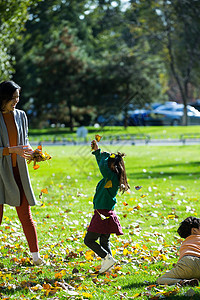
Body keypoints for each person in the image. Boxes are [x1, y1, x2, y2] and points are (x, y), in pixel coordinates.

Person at [0, 80, 44, 265]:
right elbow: (13, 148)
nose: (16, 101)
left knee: (26, 216)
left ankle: (36, 257)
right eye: (13, 98)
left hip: (19, 172)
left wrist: (34, 153)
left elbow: (24, 143)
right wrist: (11, 150)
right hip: (1, 174)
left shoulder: (21, 115)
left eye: (18, 97)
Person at [84, 139, 130, 273]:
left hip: (102, 214)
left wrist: (99, 152)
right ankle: (110, 266)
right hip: (107, 213)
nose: (105, 165)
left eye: (107, 163)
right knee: (104, 242)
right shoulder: (112, 177)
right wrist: (99, 152)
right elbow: (104, 165)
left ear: (113, 166)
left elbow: (102, 166)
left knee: (89, 240)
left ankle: (106, 258)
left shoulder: (111, 176)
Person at [157, 216, 200, 286]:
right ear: (194, 230)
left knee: (161, 279)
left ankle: (182, 282)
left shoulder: (185, 243)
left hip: (187, 263)